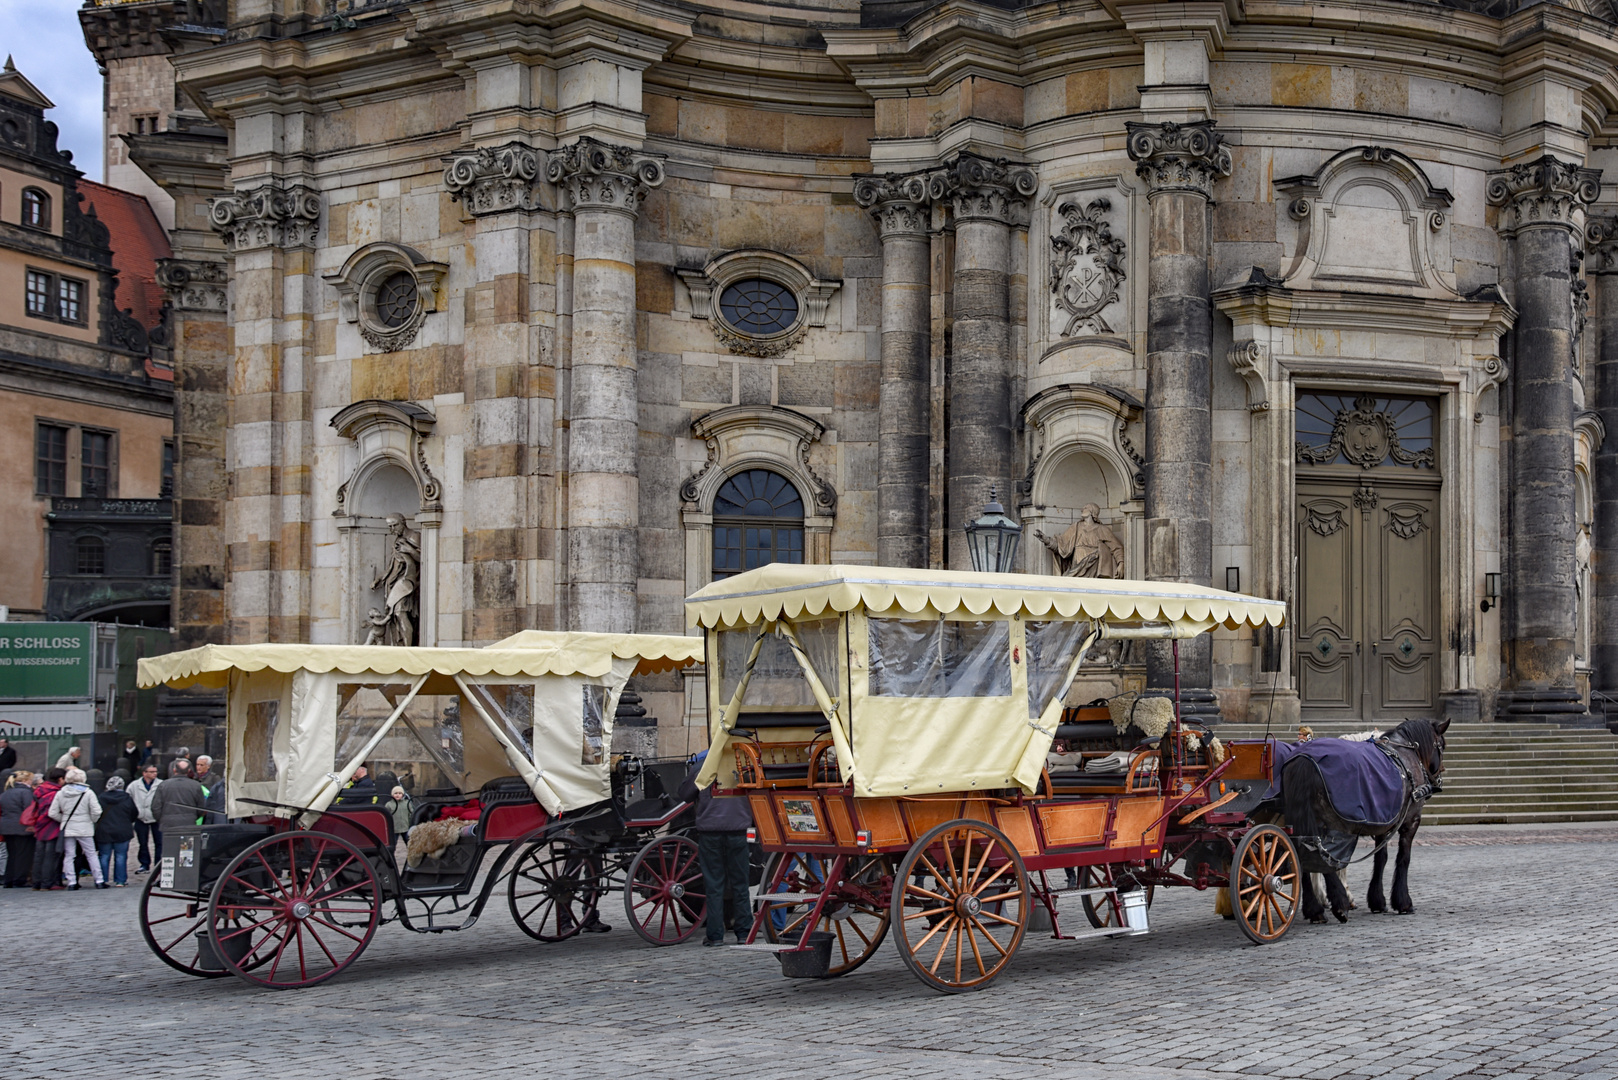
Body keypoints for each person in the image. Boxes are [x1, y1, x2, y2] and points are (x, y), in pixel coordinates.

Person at [677, 751, 755, 946]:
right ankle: (744, 931)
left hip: (711, 832)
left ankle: (715, 934)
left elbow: (685, 795)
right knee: (740, 884)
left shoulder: (703, 767)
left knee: (713, 884)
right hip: (738, 830)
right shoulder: (745, 765)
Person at [48, 767, 104, 890]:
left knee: (69, 855)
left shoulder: (61, 793)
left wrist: (63, 819)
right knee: (91, 854)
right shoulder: (88, 792)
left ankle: (71, 882)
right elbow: (97, 811)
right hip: (85, 827)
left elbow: (52, 812)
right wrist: (91, 820)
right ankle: (99, 880)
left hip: (68, 827)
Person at [150, 759, 206, 853]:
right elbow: (201, 807)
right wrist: (193, 817)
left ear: (174, 770)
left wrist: (162, 819)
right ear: (189, 771)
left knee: (169, 853)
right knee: (186, 854)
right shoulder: (196, 785)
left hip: (168, 825)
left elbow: (155, 807)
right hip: (189, 825)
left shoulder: (163, 785)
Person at [94, 775, 137, 887]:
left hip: (104, 830)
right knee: (121, 856)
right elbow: (134, 814)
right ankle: (120, 880)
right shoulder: (127, 798)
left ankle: (102, 879)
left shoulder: (101, 798)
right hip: (122, 830)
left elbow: (96, 813)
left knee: (104, 855)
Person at [29, 768, 65, 891]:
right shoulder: (57, 793)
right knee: (50, 856)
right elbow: (53, 812)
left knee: (39, 855)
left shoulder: (39, 790)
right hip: (52, 826)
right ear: (60, 779)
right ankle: (46, 883)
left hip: (39, 825)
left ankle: (36, 883)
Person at [0, 772, 35, 887]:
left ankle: (8, 879)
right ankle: (19, 879)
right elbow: (30, 810)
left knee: (12, 854)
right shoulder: (26, 792)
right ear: (25, 780)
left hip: (6, 826)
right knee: (23, 854)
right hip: (22, 827)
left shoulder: (6, 793)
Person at [128, 764, 162, 874]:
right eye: (151, 772)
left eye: (155, 771)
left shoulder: (161, 784)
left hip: (156, 817)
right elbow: (128, 799)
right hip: (140, 817)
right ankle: (144, 864)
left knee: (159, 842)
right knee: (142, 842)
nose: (154, 774)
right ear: (144, 773)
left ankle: (158, 864)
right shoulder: (134, 785)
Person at [194, 756, 226, 821]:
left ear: (208, 766)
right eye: (197, 765)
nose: (198, 767)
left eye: (201, 765)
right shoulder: (193, 778)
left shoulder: (214, 778)